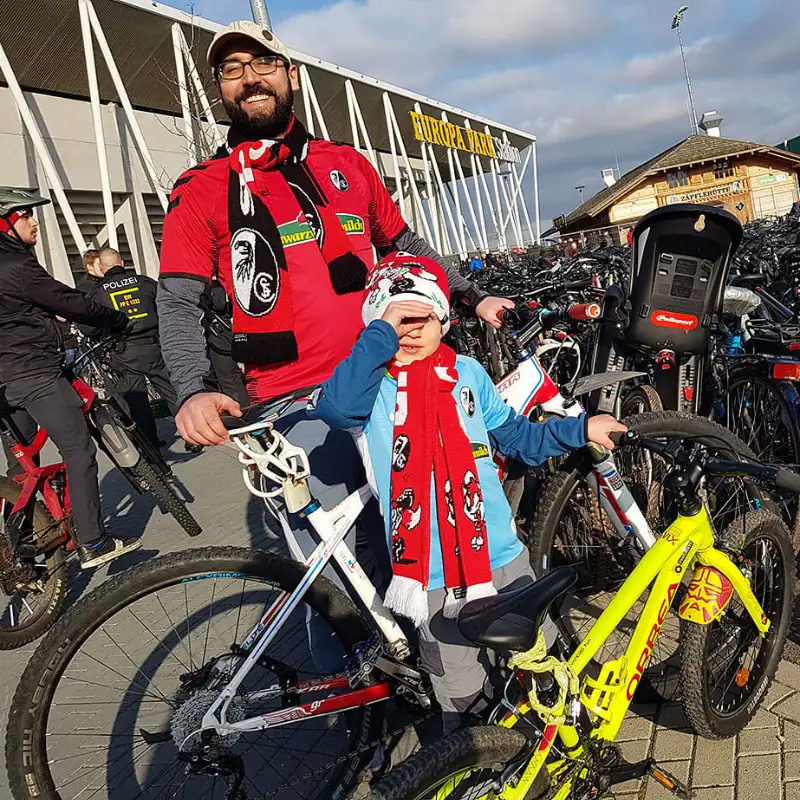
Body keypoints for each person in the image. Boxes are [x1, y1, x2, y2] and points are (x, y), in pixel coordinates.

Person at [156, 22, 515, 600]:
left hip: (392, 381)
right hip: (294, 404)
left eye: (264, 63)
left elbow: (405, 245)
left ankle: (435, 646)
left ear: (292, 75)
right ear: (219, 89)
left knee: (431, 547)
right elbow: (178, 299)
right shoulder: (201, 187)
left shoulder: (345, 162)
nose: (250, 78)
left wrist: (472, 296)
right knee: (338, 587)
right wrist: (191, 389)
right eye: (232, 69)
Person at [309, 253, 627, 730]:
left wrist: (579, 429)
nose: (410, 330)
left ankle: (556, 747)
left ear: (443, 319)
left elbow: (515, 437)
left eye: (422, 317)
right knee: (464, 700)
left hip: (503, 558)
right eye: (396, 320)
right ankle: (480, 759)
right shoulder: (371, 391)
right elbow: (334, 408)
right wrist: (381, 333)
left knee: (539, 669)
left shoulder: (469, 374)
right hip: (431, 580)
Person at [0, 188, 140, 569]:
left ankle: (22, 556)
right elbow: (68, 300)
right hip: (33, 371)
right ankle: (93, 542)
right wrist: (115, 318)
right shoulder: (17, 267)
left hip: (6, 384)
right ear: (6, 222)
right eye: (25, 215)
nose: (34, 222)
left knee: (21, 469)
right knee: (79, 449)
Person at [88, 248, 179, 447]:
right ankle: (191, 433)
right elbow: (168, 306)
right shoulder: (144, 282)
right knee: (171, 390)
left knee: (137, 401)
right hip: (154, 346)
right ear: (122, 263)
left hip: (124, 351)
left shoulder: (97, 293)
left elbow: (88, 327)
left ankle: (150, 444)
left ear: (101, 268)